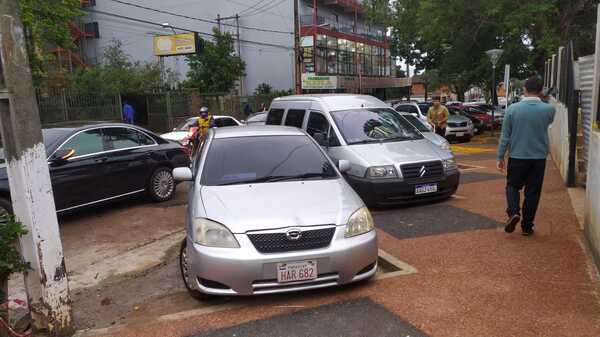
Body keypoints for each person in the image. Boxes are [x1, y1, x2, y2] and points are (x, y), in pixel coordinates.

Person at [497, 76, 556, 236]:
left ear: (524, 89)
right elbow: (548, 123)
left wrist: (500, 156)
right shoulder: (549, 109)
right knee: (533, 192)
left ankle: (514, 212)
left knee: (512, 186)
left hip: (517, 155)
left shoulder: (512, 109)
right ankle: (527, 226)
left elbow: (505, 136)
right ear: (541, 89)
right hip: (538, 158)